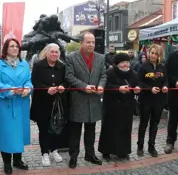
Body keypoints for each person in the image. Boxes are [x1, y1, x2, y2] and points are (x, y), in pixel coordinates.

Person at [0, 38, 32, 175]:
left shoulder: (24, 64)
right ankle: (7, 162)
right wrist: (11, 89)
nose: (14, 48)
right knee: (6, 134)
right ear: (5, 49)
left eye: (16, 46)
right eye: (11, 46)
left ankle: (18, 160)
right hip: (4, 105)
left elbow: (28, 80)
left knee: (19, 133)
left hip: (21, 104)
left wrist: (28, 88)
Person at [65, 32, 107, 169]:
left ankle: (90, 154)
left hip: (94, 100)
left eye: (93, 42)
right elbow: (69, 76)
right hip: (78, 99)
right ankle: (73, 156)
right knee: (75, 131)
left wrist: (101, 85)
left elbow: (103, 75)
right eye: (88, 42)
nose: (91, 45)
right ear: (81, 43)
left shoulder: (101, 58)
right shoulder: (71, 57)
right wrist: (84, 87)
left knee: (91, 130)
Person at [31, 43, 68, 167]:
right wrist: (46, 89)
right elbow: (34, 82)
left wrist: (63, 86)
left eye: (56, 52)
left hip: (57, 102)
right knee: (44, 128)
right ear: (46, 52)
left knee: (56, 127)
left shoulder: (62, 66)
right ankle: (44, 152)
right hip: (42, 102)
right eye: (52, 52)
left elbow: (66, 80)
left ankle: (54, 150)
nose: (54, 54)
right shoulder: (38, 65)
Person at [98, 53, 140, 159]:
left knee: (125, 130)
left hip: (127, 106)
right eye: (122, 63)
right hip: (111, 106)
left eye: (127, 62)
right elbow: (106, 86)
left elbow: (138, 84)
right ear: (117, 64)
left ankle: (123, 151)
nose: (125, 65)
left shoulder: (133, 74)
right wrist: (118, 89)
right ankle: (106, 151)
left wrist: (137, 89)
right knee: (109, 129)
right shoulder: (109, 73)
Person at [137, 44, 168, 157]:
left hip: (159, 100)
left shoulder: (162, 67)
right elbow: (139, 82)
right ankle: (140, 146)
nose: (153, 55)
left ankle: (152, 146)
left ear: (159, 55)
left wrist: (165, 86)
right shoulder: (143, 66)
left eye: (156, 53)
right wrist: (150, 89)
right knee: (143, 123)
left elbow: (166, 80)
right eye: (151, 53)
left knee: (155, 124)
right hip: (146, 99)